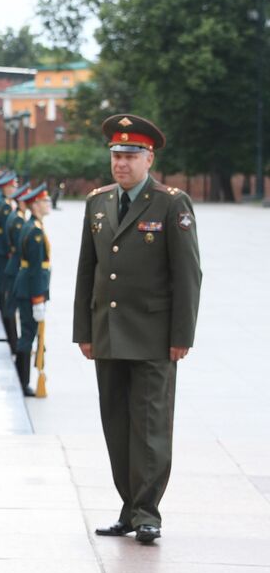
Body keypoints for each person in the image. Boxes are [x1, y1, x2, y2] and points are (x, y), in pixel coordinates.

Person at [73, 113, 202, 545]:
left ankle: (148, 513)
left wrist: (181, 335)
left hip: (153, 335)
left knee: (149, 426)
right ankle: (129, 508)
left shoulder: (171, 204)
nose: (121, 163)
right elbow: (86, 272)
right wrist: (83, 331)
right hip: (108, 331)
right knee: (117, 425)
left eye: (130, 155)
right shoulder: (98, 202)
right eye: (116, 155)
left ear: (149, 157)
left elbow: (188, 275)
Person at [11, 184, 52, 396]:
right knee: (27, 335)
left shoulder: (32, 225)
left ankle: (22, 378)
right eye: (45, 201)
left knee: (28, 333)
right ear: (35, 204)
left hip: (27, 286)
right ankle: (22, 381)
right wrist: (38, 299)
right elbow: (36, 269)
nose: (48, 204)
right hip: (31, 290)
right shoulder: (35, 231)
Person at [0, 181, 30, 351]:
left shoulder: (19, 217)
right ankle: (12, 342)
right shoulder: (18, 220)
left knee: (10, 303)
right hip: (15, 266)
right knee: (11, 305)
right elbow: (18, 246)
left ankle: (13, 341)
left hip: (14, 264)